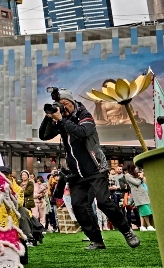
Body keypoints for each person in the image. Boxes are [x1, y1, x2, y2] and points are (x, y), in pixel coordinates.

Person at [39, 87, 140, 250]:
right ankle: (97, 240)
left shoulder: (84, 115)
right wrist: (48, 116)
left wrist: (62, 120)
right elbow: (43, 135)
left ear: (72, 103)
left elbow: (83, 132)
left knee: (103, 202)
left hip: (95, 169)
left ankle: (127, 232)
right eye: (61, 104)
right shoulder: (61, 120)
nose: (64, 107)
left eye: (66, 104)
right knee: (78, 206)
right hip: (76, 174)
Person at [123, 162, 155, 231]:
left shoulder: (134, 174)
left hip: (143, 193)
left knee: (142, 210)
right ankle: (149, 225)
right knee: (145, 209)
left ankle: (142, 226)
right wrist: (140, 177)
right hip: (138, 194)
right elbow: (136, 183)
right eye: (134, 167)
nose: (136, 169)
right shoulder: (127, 175)